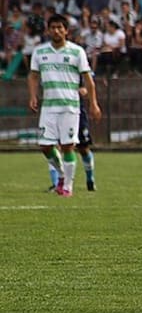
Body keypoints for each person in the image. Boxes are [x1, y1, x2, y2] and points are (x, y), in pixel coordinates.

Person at [28, 14, 102, 197]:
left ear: (66, 30)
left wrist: (93, 104)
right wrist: (33, 96)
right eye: (53, 27)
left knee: (68, 145)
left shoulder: (77, 52)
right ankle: (62, 175)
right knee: (45, 146)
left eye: (60, 27)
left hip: (70, 107)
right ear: (48, 30)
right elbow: (33, 76)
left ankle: (67, 186)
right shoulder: (39, 52)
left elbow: (88, 80)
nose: (56, 31)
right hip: (48, 107)